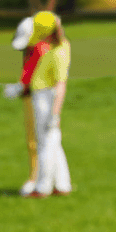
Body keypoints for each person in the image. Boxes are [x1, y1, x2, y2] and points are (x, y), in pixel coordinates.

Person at [22, 11, 71, 198]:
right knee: (53, 143)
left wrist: (55, 114)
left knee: (45, 144)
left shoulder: (58, 52)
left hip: (47, 99)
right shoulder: (57, 45)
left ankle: (42, 187)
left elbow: (60, 87)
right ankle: (62, 184)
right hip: (41, 95)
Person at [10, 17, 43, 196]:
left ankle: (36, 178)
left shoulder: (40, 48)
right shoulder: (31, 49)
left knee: (37, 140)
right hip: (31, 96)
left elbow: (30, 75)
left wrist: (20, 87)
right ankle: (39, 178)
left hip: (39, 98)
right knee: (35, 140)